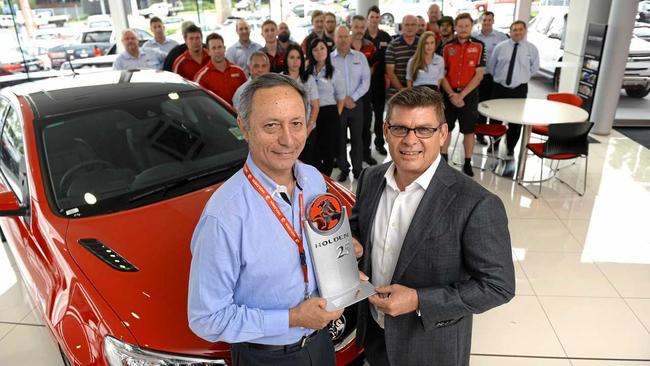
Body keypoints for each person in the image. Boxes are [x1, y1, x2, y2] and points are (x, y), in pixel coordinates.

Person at [350, 86, 515, 366]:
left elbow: (499, 286)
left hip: (430, 348)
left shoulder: (476, 203)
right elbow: (357, 229)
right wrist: (351, 248)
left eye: (424, 129)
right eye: (400, 128)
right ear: (386, 131)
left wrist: (419, 301)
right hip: (375, 336)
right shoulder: (370, 178)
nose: (410, 140)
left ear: (443, 134)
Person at [188, 73, 345, 366]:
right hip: (266, 357)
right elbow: (206, 318)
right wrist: (293, 318)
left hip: (322, 343)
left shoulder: (312, 180)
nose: (287, 139)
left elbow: (314, 247)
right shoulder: (224, 216)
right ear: (244, 128)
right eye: (271, 125)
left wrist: (342, 268)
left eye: (296, 124)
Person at [440, 13, 486, 177]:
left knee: (468, 130)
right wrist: (452, 94)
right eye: (460, 26)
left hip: (469, 95)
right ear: (455, 27)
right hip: (449, 94)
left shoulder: (480, 46)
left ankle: (467, 162)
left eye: (466, 26)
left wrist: (462, 95)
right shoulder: (446, 47)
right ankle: (443, 162)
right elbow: (442, 73)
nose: (463, 29)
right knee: (446, 129)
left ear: (471, 26)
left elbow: (479, 75)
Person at [487, 20, 540, 157]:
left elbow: (534, 69)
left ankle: (511, 146)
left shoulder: (532, 49)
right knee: (495, 118)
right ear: (510, 32)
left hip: (519, 89)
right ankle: (494, 143)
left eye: (520, 29)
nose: (517, 32)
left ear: (525, 31)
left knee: (516, 121)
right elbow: (492, 67)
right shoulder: (500, 47)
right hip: (500, 88)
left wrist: (521, 78)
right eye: (514, 30)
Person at [330, 25, 370, 182]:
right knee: (339, 138)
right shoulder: (329, 59)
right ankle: (344, 169)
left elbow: (366, 81)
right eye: (340, 37)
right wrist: (341, 99)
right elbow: (327, 83)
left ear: (351, 38)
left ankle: (358, 169)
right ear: (335, 38)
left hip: (356, 104)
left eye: (346, 36)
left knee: (357, 139)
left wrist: (353, 97)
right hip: (337, 105)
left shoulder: (360, 57)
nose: (343, 40)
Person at [307, 38, 346, 176]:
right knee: (314, 149)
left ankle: (327, 179)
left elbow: (341, 97)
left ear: (327, 50)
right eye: (315, 49)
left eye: (322, 48)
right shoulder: (307, 71)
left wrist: (336, 115)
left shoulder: (335, 72)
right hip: (311, 114)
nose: (319, 52)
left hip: (329, 113)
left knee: (329, 151)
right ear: (310, 52)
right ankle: (316, 177)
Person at [282, 44, 320, 164]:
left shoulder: (309, 79)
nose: (295, 61)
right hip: (286, 129)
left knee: (307, 161)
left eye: (298, 58)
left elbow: (315, 106)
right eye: (291, 57)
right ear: (286, 59)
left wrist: (308, 129)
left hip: (307, 129)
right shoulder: (280, 79)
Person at [472, 11, 508, 130]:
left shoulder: (501, 37)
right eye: (484, 20)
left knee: (494, 105)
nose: (486, 22)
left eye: (489, 20)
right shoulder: (473, 36)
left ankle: (494, 135)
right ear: (481, 21)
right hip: (477, 77)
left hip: (494, 77)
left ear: (493, 21)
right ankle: (480, 134)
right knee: (480, 105)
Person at [365, 6, 392, 156]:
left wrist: (388, 75)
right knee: (366, 116)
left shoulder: (385, 36)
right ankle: (366, 147)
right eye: (372, 17)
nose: (374, 20)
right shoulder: (362, 37)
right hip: (364, 84)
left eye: (377, 17)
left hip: (380, 82)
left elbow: (389, 59)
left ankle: (379, 143)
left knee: (379, 114)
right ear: (367, 18)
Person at [351, 15, 378, 167]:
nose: (360, 30)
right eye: (357, 27)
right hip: (347, 95)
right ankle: (347, 160)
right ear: (351, 26)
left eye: (362, 27)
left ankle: (366, 154)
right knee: (349, 131)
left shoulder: (370, 47)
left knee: (366, 127)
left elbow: (371, 70)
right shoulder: (343, 45)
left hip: (365, 94)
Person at [194, 33, 247, 106]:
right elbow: (199, 103)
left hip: (239, 115)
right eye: (214, 48)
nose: (217, 51)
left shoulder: (239, 71)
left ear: (224, 48)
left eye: (219, 47)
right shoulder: (201, 76)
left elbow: (247, 96)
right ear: (208, 51)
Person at [385, 15, 419, 98]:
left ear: (417, 27)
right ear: (402, 27)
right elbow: (390, 72)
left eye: (413, 24)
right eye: (407, 25)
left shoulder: (423, 44)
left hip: (419, 93)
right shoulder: (393, 45)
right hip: (396, 93)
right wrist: (402, 90)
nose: (410, 27)